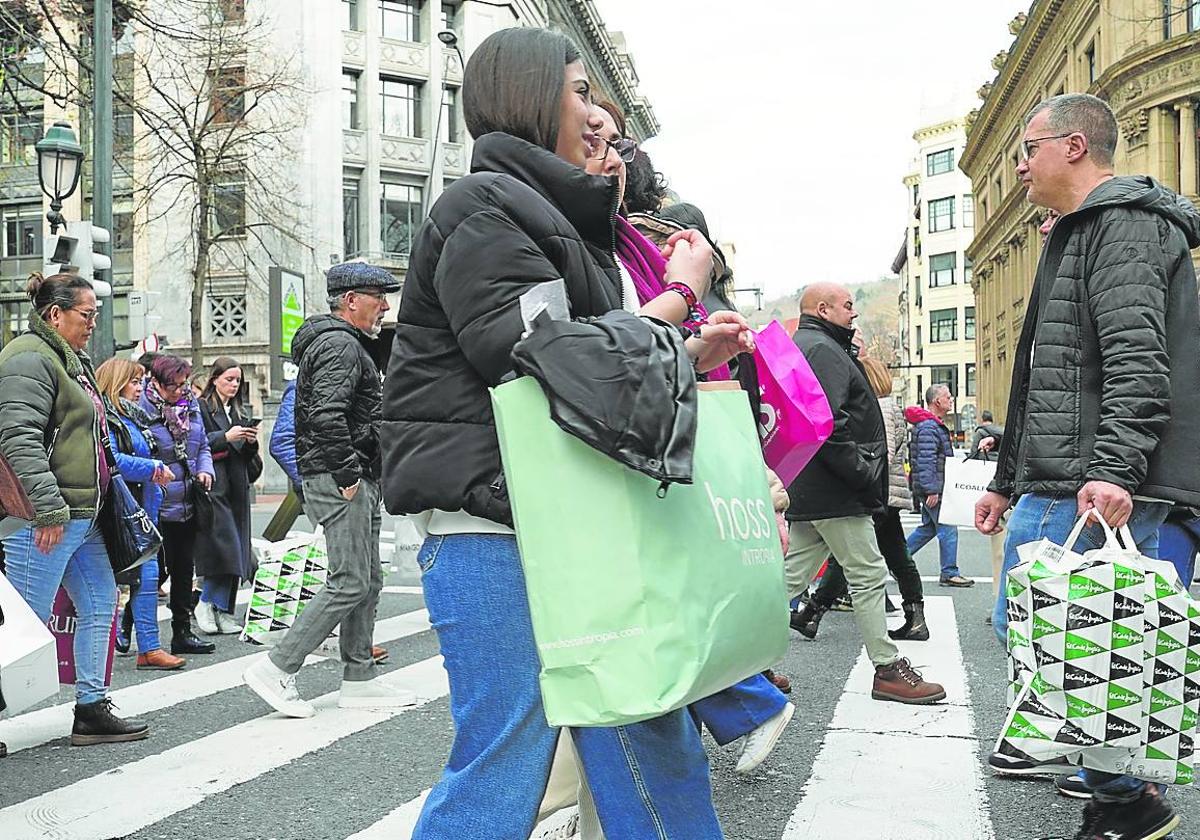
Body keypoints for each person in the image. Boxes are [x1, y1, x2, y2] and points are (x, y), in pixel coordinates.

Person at [379, 27, 754, 838]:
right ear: (528, 96)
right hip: (494, 529)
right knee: (509, 760)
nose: (604, 120)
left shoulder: (553, 216)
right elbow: (547, 357)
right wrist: (679, 301)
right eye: (582, 94)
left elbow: (587, 372)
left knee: (648, 736)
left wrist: (682, 351)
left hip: (567, 524)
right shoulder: (479, 208)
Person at [975, 93, 1200, 839]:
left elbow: (1139, 362)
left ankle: (1124, 801)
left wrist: (1116, 470)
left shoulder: (1124, 225)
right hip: (1065, 471)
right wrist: (1007, 479)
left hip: (1095, 479)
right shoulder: (1081, 231)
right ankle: (1107, 777)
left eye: (1027, 148)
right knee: (1070, 632)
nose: (1018, 166)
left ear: (1073, 146)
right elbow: (1050, 371)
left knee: (1063, 631)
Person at [586, 98, 793, 775]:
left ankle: (752, 700)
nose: (607, 155)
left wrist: (681, 300)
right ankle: (750, 700)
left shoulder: (661, 274)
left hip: (663, 463)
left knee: (654, 623)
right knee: (663, 621)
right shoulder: (647, 266)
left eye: (614, 146)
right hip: (663, 461)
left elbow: (631, 365)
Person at [242, 260, 415, 716]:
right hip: (340, 477)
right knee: (350, 579)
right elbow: (326, 415)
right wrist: (347, 475)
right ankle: (277, 668)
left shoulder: (345, 344)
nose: (385, 307)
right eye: (378, 298)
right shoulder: (340, 345)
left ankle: (358, 676)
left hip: (352, 474)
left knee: (368, 579)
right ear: (351, 300)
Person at [0, 273, 149, 744]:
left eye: (95, 315)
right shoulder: (28, 357)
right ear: (55, 314)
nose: (92, 323)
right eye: (87, 315)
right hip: (44, 519)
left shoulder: (69, 358)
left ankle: (90, 707)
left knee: (102, 603)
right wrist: (46, 509)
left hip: (81, 516)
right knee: (21, 626)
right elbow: (17, 440)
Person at [783, 282, 945, 705]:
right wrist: (860, 471)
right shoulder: (823, 350)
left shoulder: (814, 345)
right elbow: (828, 421)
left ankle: (741, 660)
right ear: (824, 308)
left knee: (789, 578)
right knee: (869, 574)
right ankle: (888, 669)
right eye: (848, 305)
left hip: (815, 485)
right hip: (836, 488)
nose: (854, 313)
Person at [792, 355, 928, 641]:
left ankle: (813, 612)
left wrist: (861, 476)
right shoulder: (890, 407)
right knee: (889, 554)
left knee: (850, 558)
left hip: (878, 493)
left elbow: (883, 452)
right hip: (885, 493)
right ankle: (915, 615)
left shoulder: (880, 407)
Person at [95, 357, 183, 670]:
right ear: (117, 382)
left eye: (140, 382)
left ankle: (149, 648)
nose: (139, 388)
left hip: (140, 507)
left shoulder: (131, 416)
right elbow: (112, 459)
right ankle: (123, 646)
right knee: (108, 584)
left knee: (146, 577)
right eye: (133, 382)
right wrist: (153, 468)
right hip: (118, 509)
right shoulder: (105, 415)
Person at [141, 354, 216, 656]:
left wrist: (206, 469)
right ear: (156, 384)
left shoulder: (191, 405)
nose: (181, 391)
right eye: (174, 386)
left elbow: (203, 446)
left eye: (184, 385)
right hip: (157, 503)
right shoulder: (142, 410)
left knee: (184, 569)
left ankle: (182, 632)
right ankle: (128, 625)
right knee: (153, 571)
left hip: (187, 500)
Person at [194, 357, 260, 636]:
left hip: (236, 485)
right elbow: (196, 443)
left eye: (237, 380)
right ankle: (206, 602)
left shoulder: (238, 409)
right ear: (215, 379)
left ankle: (222, 610)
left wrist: (250, 442)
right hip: (215, 485)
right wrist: (227, 436)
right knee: (226, 547)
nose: (233, 385)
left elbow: (245, 455)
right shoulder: (202, 407)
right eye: (228, 379)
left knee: (237, 550)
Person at [905, 384, 973, 587]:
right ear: (937, 401)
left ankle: (896, 561)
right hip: (935, 489)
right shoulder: (928, 427)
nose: (951, 400)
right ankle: (949, 572)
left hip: (934, 486)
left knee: (928, 528)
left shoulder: (930, 425)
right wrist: (931, 490)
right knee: (948, 528)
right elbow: (926, 461)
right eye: (948, 397)